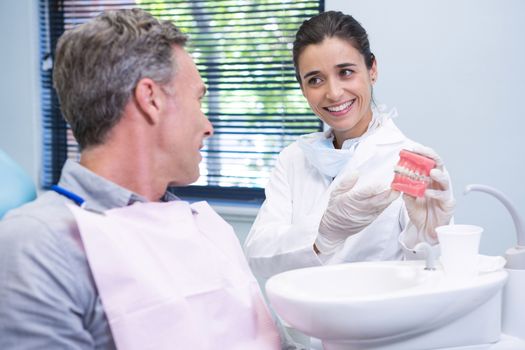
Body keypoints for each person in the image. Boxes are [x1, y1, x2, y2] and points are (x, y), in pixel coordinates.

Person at [0, 9, 293, 350]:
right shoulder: (37, 245)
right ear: (150, 99)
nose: (208, 125)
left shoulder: (201, 226)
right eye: (198, 99)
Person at [244, 11, 455, 282]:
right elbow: (258, 258)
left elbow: (433, 278)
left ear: (372, 70)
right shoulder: (293, 159)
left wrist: (428, 238)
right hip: (301, 323)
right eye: (315, 80)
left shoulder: (411, 162)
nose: (333, 93)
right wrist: (321, 235)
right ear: (302, 89)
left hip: (377, 322)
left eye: (345, 72)